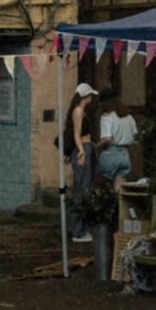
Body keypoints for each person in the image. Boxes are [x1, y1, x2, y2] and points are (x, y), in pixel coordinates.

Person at [64, 82, 100, 241]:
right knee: (80, 189)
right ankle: (78, 230)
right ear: (86, 96)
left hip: (86, 147)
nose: (91, 98)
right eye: (90, 95)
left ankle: (83, 227)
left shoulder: (83, 111)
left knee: (85, 189)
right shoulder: (78, 111)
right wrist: (81, 151)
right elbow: (76, 134)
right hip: (83, 148)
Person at [93, 93, 138, 183]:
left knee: (99, 183)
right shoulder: (129, 117)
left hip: (110, 152)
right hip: (125, 154)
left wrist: (96, 147)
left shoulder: (106, 117)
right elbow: (135, 134)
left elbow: (107, 138)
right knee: (119, 189)